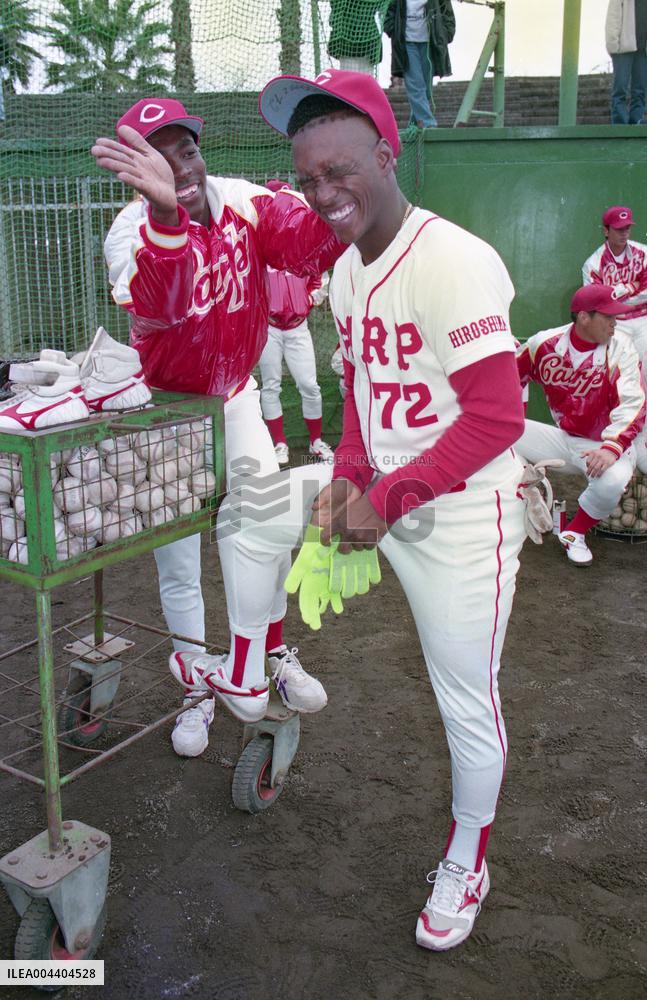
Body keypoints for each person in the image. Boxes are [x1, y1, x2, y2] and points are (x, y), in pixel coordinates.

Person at [198, 67, 529, 951]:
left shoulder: (453, 258)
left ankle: (468, 854)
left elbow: (498, 419)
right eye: (306, 178)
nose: (322, 192)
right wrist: (347, 476)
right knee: (253, 509)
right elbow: (358, 395)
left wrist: (382, 501)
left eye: (339, 170)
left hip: (461, 514)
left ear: (386, 154)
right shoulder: (346, 273)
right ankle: (246, 666)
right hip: (380, 489)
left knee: (465, 698)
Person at [91, 98, 344, 757]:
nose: (179, 164)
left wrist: (342, 193)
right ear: (133, 168)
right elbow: (162, 308)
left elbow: (314, 242)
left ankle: (268, 655)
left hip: (233, 397)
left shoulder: (241, 199)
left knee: (262, 523)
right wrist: (167, 220)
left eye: (187, 148)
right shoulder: (129, 231)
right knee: (179, 563)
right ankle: (197, 690)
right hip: (164, 412)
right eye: (159, 152)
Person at [516, 284, 645, 566]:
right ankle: (523, 492)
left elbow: (634, 403)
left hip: (607, 444)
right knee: (501, 430)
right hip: (564, 439)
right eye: (608, 317)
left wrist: (612, 448)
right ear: (584, 317)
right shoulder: (544, 344)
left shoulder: (621, 347)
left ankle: (573, 532)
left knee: (612, 482)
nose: (615, 322)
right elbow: (509, 379)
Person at [259, 181, 333, 466]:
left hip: (297, 327)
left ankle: (316, 441)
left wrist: (308, 299)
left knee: (309, 385)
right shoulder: (257, 242)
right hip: (269, 327)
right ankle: (279, 444)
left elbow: (319, 278)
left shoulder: (301, 242)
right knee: (271, 385)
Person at [582, 204, 647, 471]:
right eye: (619, 229)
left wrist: (617, 292)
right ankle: (619, 432)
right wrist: (633, 288)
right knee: (620, 375)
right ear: (606, 230)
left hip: (643, 320)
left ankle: (643, 436)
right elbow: (596, 301)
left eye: (627, 228)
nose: (624, 233)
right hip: (614, 323)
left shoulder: (643, 253)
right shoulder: (593, 264)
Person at [384, 0, 455, 128]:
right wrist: (393, 31)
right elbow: (388, 12)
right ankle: (428, 123)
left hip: (430, 43)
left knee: (426, 89)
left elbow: (447, 13)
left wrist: (445, 35)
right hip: (406, 43)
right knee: (416, 85)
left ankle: (415, 122)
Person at [606, 0, 647, 124]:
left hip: (643, 50)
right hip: (623, 48)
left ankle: (636, 120)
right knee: (620, 88)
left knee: (640, 90)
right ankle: (619, 123)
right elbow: (613, 17)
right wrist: (613, 44)